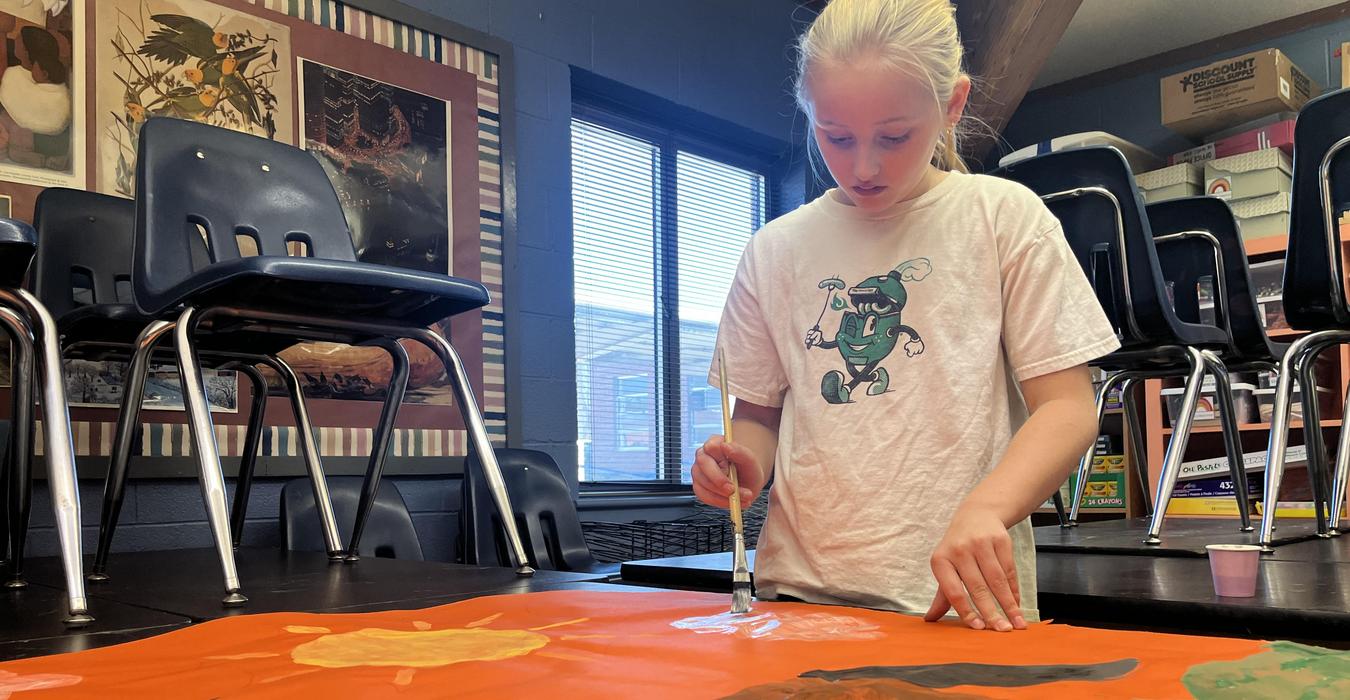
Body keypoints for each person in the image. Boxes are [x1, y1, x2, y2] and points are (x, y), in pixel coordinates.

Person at [692, 0, 1119, 633]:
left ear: (952, 104)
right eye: (835, 136)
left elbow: (1068, 407)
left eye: (894, 137)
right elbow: (758, 417)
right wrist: (743, 462)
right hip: (800, 594)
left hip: (959, 598)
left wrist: (986, 510)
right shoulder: (774, 249)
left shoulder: (1003, 218)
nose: (864, 167)